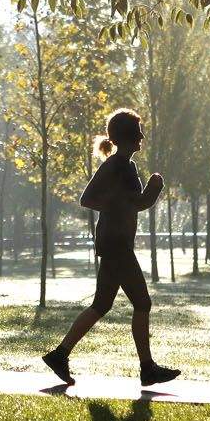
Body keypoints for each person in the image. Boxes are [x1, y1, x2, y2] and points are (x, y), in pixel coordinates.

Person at [43, 108, 181, 387]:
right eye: (139, 131)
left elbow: (112, 201)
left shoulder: (119, 165)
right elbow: (101, 200)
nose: (142, 135)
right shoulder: (121, 166)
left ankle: (60, 355)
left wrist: (120, 203)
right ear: (130, 136)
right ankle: (147, 369)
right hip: (117, 244)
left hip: (113, 242)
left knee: (101, 305)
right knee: (142, 303)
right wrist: (154, 188)